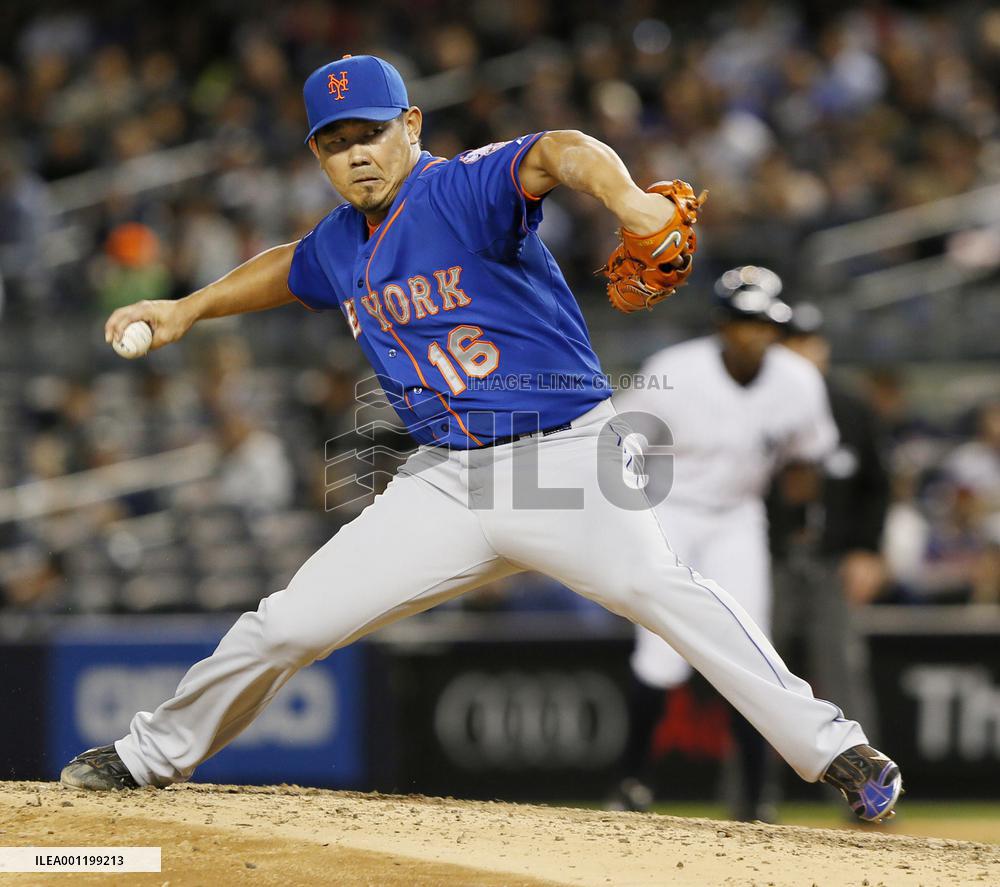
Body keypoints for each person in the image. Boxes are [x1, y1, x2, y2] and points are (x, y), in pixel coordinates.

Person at [60, 54, 901, 823]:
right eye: (335, 142)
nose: (356, 154)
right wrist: (186, 308)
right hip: (444, 481)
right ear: (317, 156)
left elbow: (560, 150)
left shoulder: (460, 188)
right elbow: (289, 265)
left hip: (564, 455)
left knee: (662, 591)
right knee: (288, 625)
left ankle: (836, 750)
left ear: (413, 127)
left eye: (373, 133)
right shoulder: (339, 243)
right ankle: (145, 756)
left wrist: (629, 199)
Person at [610, 267, 839, 821]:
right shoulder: (675, 371)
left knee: (751, 654)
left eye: (763, 323)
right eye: (742, 322)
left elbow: (808, 458)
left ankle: (755, 801)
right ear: (721, 324)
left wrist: (803, 528)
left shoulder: (798, 380)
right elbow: (619, 439)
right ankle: (632, 781)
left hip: (739, 516)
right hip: (672, 513)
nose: (753, 334)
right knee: (661, 655)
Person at [769, 302, 890, 792]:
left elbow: (877, 486)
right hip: (770, 558)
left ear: (823, 348)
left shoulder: (852, 407)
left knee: (843, 675)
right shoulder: (759, 405)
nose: (801, 353)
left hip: (832, 558)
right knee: (756, 676)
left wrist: (868, 549)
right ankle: (751, 797)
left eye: (808, 342)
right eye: (791, 343)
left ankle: (871, 789)